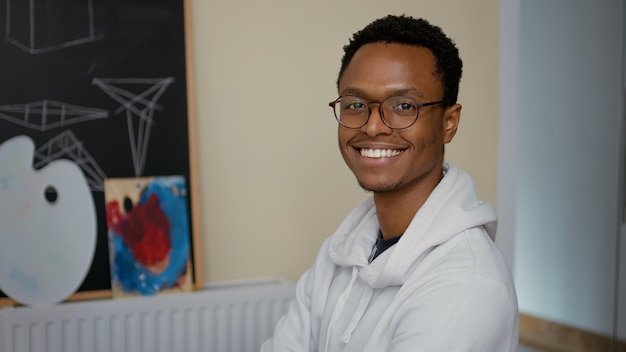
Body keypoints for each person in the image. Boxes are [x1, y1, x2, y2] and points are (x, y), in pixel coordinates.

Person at [261, 14, 518, 351]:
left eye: (403, 106)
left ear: (449, 123)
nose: (372, 127)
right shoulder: (341, 251)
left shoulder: (466, 284)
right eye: (355, 104)